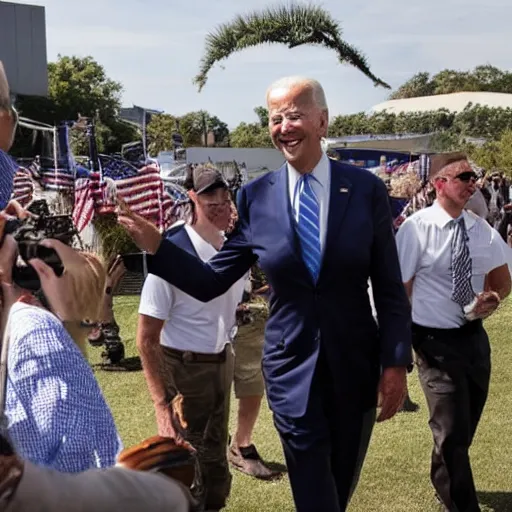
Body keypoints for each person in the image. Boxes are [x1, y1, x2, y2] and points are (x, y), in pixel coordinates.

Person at [119, 76, 412, 512]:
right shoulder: (257, 197)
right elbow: (209, 280)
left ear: (322, 121)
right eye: (275, 118)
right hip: (291, 371)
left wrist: (394, 362)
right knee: (315, 494)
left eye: (294, 115)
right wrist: (158, 247)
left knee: (338, 484)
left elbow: (389, 287)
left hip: (355, 368)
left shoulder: (365, 189)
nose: (284, 127)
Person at [395, 153, 511, 512]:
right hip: (433, 342)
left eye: (473, 176)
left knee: (463, 427)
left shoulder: (481, 229)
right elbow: (401, 290)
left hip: (474, 340)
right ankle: (462, 504)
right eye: (463, 176)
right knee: (451, 433)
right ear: (439, 183)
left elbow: (502, 280)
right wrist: (399, 349)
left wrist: (491, 298)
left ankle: (442, 479)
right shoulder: (416, 228)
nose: (472, 182)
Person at [137, 165, 246, 511]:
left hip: (221, 364)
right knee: (184, 473)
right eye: (209, 195)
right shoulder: (173, 251)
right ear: (192, 197)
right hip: (184, 369)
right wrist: (162, 408)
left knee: (215, 469)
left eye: (223, 194)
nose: (219, 202)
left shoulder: (232, 248)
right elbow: (146, 338)